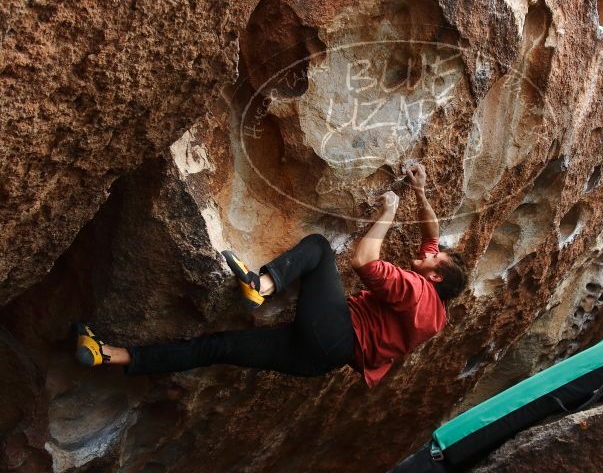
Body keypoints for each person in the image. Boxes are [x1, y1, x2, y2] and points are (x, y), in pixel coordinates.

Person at [74, 164, 468, 387]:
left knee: (318, 248)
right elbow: (432, 236)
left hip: (336, 332)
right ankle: (106, 354)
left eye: (439, 259)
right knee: (219, 347)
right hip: (319, 358)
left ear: (434, 278)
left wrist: (389, 211)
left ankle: (261, 285)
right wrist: (420, 191)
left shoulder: (416, 291)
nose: (436, 253)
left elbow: (363, 260)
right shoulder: (432, 305)